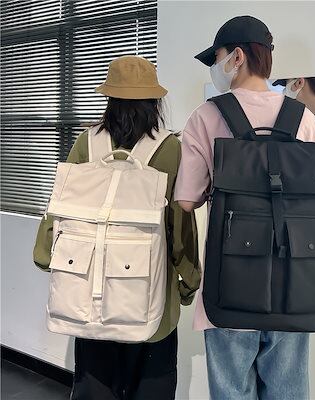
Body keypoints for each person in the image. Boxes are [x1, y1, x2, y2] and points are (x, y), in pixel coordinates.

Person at [174, 15, 315, 400]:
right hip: (294, 286)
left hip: (229, 286)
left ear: (237, 57)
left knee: (231, 392)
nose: (215, 67)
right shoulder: (305, 119)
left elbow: (187, 200)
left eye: (217, 57)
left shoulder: (206, 116)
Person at [33, 55, 201, 400]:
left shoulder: (87, 143)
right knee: (151, 388)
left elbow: (60, 207)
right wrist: (188, 282)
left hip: (92, 299)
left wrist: (45, 253)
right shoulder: (170, 148)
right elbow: (180, 226)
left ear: (109, 98)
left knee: (95, 387)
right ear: (154, 101)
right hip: (152, 301)